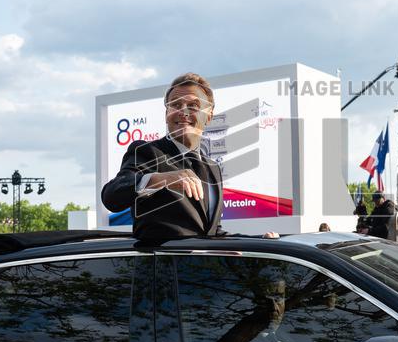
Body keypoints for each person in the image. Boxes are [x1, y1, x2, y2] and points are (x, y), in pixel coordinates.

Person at [101, 72, 277, 241]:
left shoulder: (213, 168)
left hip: (203, 269)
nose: (183, 112)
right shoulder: (146, 151)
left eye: (193, 106)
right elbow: (111, 196)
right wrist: (162, 179)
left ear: (209, 115)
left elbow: (212, 233)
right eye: (176, 105)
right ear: (166, 114)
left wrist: (259, 241)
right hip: (161, 269)